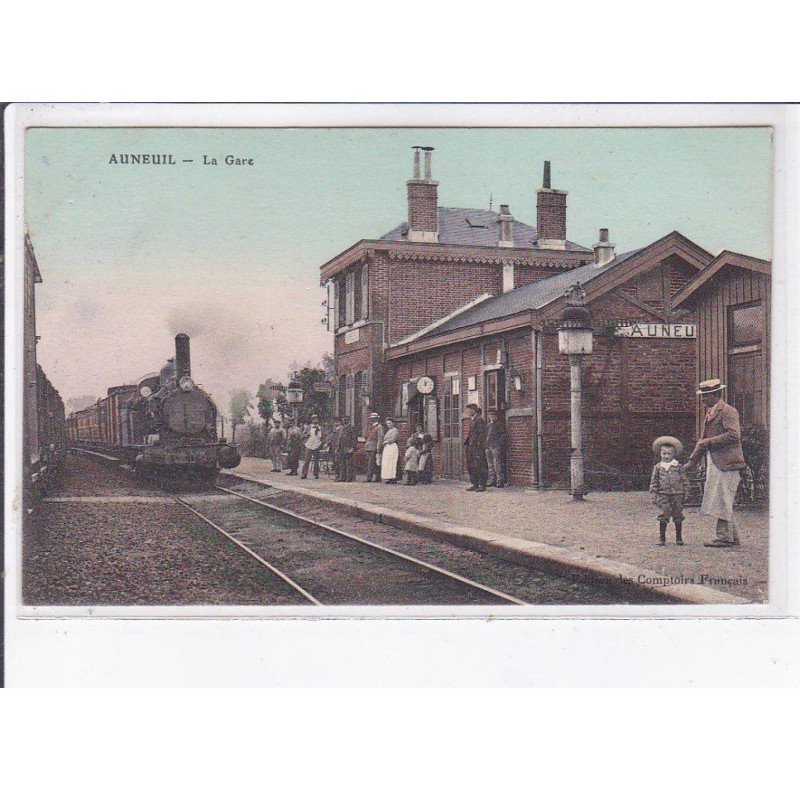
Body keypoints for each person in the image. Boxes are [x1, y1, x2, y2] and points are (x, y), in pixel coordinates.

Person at [686, 378, 746, 547]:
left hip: (728, 463)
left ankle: (724, 538)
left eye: (706, 396)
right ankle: (732, 537)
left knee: (722, 499)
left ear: (715, 394)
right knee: (722, 499)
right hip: (717, 462)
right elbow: (703, 441)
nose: (703, 400)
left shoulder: (728, 411)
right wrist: (691, 462)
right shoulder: (711, 413)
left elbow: (734, 435)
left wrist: (710, 442)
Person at [649, 436, 690, 546]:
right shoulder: (658, 467)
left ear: (674, 455)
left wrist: (686, 492)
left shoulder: (678, 466)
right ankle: (662, 539)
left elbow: (684, 480)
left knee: (678, 515)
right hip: (664, 495)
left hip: (678, 495)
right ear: (660, 454)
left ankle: (679, 538)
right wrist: (654, 495)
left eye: (669, 454)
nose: (666, 456)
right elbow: (654, 483)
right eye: (664, 454)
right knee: (664, 514)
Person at [464, 403, 487, 492]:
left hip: (477, 447)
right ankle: (475, 484)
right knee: (471, 466)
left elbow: (482, 434)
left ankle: (482, 485)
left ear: (473, 410)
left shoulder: (479, 420)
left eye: (468, 410)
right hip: (471, 447)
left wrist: (478, 445)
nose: (467, 412)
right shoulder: (473, 420)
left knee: (480, 466)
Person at [485, 409, 509, 488]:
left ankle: (500, 481)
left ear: (496, 416)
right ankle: (492, 480)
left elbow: (503, 435)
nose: (491, 417)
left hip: (495, 447)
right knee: (490, 464)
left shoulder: (499, 424)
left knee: (497, 464)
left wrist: (499, 444)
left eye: (493, 416)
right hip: (488, 446)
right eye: (490, 415)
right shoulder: (488, 425)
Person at [300, 414, 324, 479]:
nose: (315, 420)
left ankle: (316, 474)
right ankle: (304, 474)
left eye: (316, 419)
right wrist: (306, 435)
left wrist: (322, 442)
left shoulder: (321, 428)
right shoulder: (308, 427)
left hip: (317, 444)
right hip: (309, 444)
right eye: (313, 419)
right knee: (307, 459)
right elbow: (302, 435)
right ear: (311, 420)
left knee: (316, 460)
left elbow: (324, 436)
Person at [365, 413, 384, 482]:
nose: (371, 420)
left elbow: (380, 438)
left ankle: (369, 478)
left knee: (372, 463)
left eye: (373, 418)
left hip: (374, 447)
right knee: (373, 463)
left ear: (376, 419)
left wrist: (378, 447)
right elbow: (368, 438)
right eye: (371, 418)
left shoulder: (379, 427)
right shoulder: (371, 426)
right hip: (369, 447)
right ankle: (377, 477)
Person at [337, 416, 357, 482]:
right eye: (343, 420)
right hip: (341, 448)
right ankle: (342, 477)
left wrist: (352, 448)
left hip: (348, 447)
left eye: (345, 420)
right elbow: (339, 438)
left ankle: (349, 478)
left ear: (348, 420)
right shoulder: (341, 428)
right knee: (342, 463)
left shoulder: (351, 428)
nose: (344, 421)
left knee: (349, 463)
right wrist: (338, 447)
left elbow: (354, 438)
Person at [381, 418, 400, 484]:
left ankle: (393, 478)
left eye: (390, 423)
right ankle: (389, 477)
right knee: (387, 462)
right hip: (387, 447)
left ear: (393, 423)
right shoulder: (388, 431)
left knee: (392, 462)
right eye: (387, 423)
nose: (388, 425)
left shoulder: (395, 430)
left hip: (392, 446)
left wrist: (386, 442)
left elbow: (393, 439)